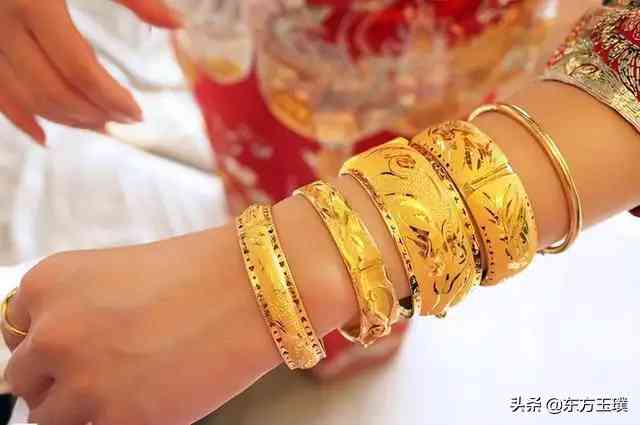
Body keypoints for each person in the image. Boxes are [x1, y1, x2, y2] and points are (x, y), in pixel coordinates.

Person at [1, 1, 640, 425]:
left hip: (432, 44)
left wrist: (282, 278)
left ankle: (340, 354)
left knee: (360, 302)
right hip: (234, 27)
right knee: (253, 155)